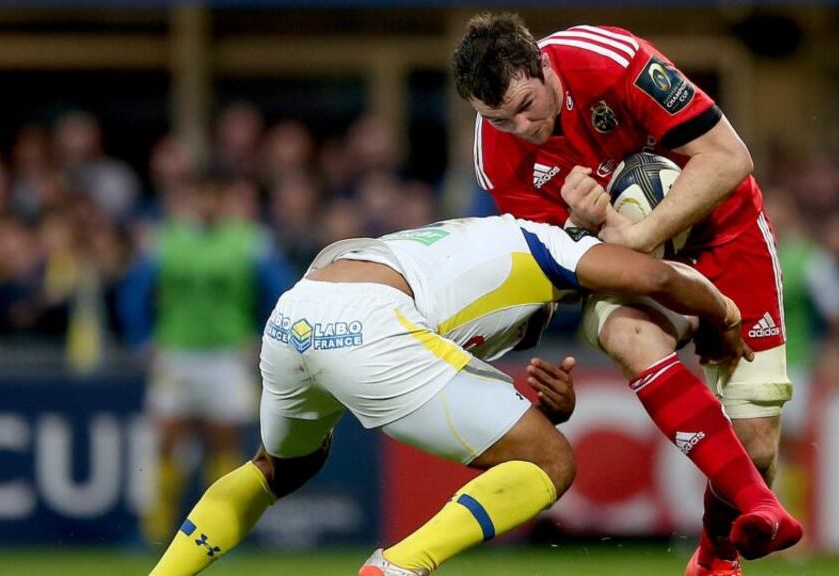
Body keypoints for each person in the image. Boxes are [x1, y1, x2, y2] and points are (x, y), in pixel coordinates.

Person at [146, 214, 800, 576]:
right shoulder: (551, 245)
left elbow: (444, 353)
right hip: (375, 320)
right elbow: (654, 274)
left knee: (279, 466)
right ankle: (399, 569)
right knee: (553, 464)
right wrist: (719, 312)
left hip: (298, 314)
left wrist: (548, 412)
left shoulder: (471, 244)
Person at [453, 13, 793, 575]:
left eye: (526, 105)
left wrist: (634, 232)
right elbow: (563, 267)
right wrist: (587, 229)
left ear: (542, 63)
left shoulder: (608, 59)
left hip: (724, 233)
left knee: (758, 450)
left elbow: (730, 159)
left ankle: (712, 558)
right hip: (630, 261)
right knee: (630, 334)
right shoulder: (497, 157)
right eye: (498, 118)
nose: (522, 127)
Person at [119, 176, 293, 545]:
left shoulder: (249, 240)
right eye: (200, 196)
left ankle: (221, 530)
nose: (207, 204)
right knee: (167, 440)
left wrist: (266, 335)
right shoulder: (165, 240)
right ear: (188, 199)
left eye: (214, 196)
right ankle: (154, 531)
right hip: (176, 354)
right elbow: (134, 290)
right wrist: (141, 339)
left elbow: (283, 289)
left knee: (224, 444)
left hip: (227, 356)